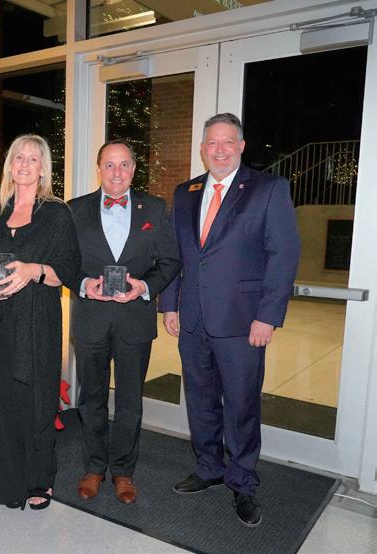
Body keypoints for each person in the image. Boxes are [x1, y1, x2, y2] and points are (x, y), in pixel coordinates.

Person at [158, 113, 300, 527]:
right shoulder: (186, 192)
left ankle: (242, 481)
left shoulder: (268, 189)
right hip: (193, 320)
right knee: (200, 401)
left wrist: (267, 316)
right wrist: (170, 304)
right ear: (202, 149)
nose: (219, 150)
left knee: (241, 405)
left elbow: (283, 256)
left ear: (241, 146)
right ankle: (209, 467)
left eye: (227, 142)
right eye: (211, 143)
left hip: (243, 322)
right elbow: (176, 256)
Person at [67, 139, 180, 504]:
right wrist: (84, 284)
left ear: (134, 168)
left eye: (124, 164)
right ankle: (94, 468)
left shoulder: (155, 209)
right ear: (99, 169)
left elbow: (170, 262)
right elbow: (64, 262)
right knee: (92, 399)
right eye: (110, 165)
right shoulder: (75, 210)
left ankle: (123, 472)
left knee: (130, 401)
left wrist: (144, 287)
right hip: (91, 319)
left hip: (135, 320)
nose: (117, 172)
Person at [0, 134, 80, 510]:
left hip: (37, 323)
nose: (24, 164)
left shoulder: (56, 214)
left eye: (33, 159)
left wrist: (35, 270)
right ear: (9, 165)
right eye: (18, 157)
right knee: (1, 402)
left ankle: (38, 480)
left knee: (36, 402)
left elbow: (69, 270)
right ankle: (5, 481)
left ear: (43, 169)